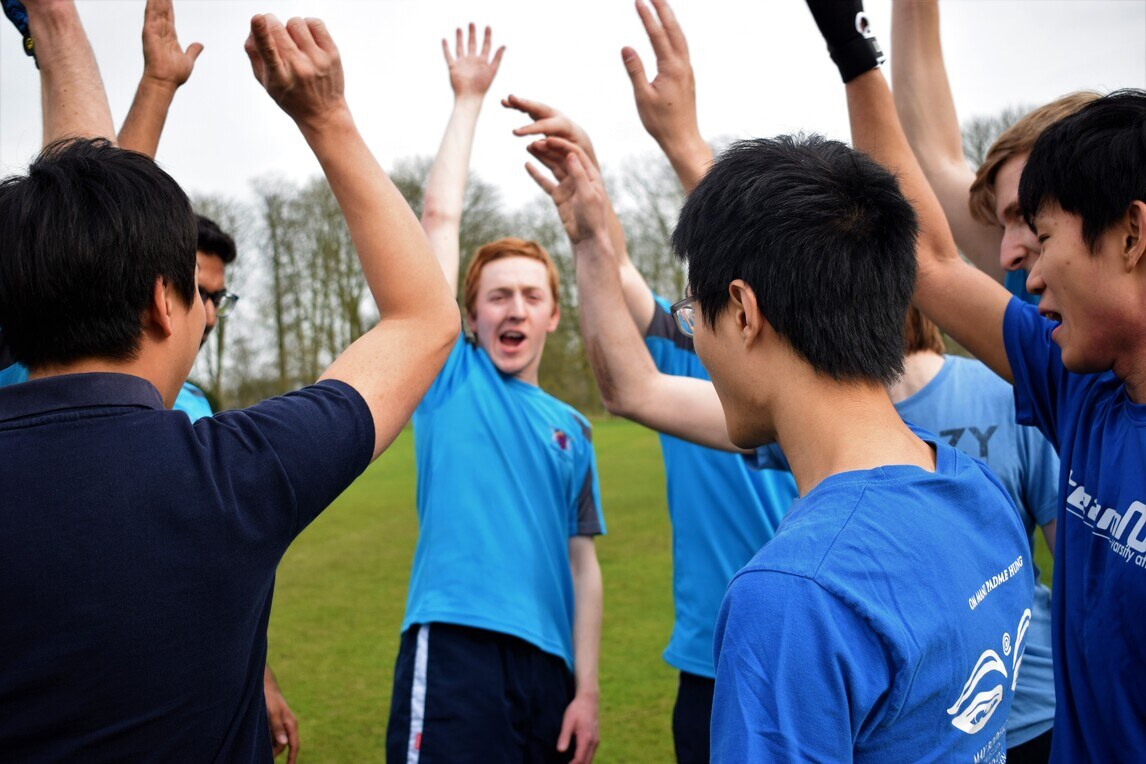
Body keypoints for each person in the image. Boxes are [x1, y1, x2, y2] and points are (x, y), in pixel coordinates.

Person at [530, 13, 1031, 761]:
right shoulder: (979, 494)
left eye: (697, 314)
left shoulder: (794, 597)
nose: (692, 335)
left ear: (745, 310)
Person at [0, 4, 458, 759]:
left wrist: (58, 32)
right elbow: (422, 318)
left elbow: (76, 237)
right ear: (160, 301)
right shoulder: (230, 475)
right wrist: (327, 117)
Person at [845, 0, 1146, 756]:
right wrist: (853, 55)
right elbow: (931, 261)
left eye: (1042, 237)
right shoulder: (1083, 386)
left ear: (1132, 235)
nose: (1026, 270)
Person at [507, 3, 795, 760]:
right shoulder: (681, 336)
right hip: (708, 655)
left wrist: (682, 138)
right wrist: (589, 200)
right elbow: (618, 282)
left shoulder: (804, 364)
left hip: (800, 644)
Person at [384, 26, 604, 764]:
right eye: (497, 296)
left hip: (549, 671)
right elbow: (436, 222)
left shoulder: (574, 427)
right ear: (471, 317)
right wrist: (468, 100)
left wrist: (588, 689)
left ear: (553, 313)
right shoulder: (449, 378)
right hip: (453, 644)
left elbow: (583, 564)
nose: (514, 309)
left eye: (530, 296)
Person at [890, 0, 1097, 304]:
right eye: (1003, 225)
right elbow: (935, 160)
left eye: (1025, 214)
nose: (1005, 257)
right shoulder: (1028, 282)